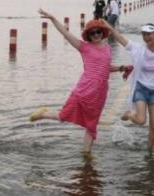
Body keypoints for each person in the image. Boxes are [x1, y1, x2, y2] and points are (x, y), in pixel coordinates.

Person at [29, 9, 128, 154]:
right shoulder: (84, 47)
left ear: (102, 32)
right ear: (88, 35)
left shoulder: (107, 48)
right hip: (84, 90)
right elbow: (65, 33)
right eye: (92, 33)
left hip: (100, 94)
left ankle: (86, 156)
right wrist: (53, 18)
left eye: (98, 32)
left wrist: (121, 68)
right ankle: (43, 114)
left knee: (92, 126)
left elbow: (105, 68)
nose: (96, 35)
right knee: (63, 116)